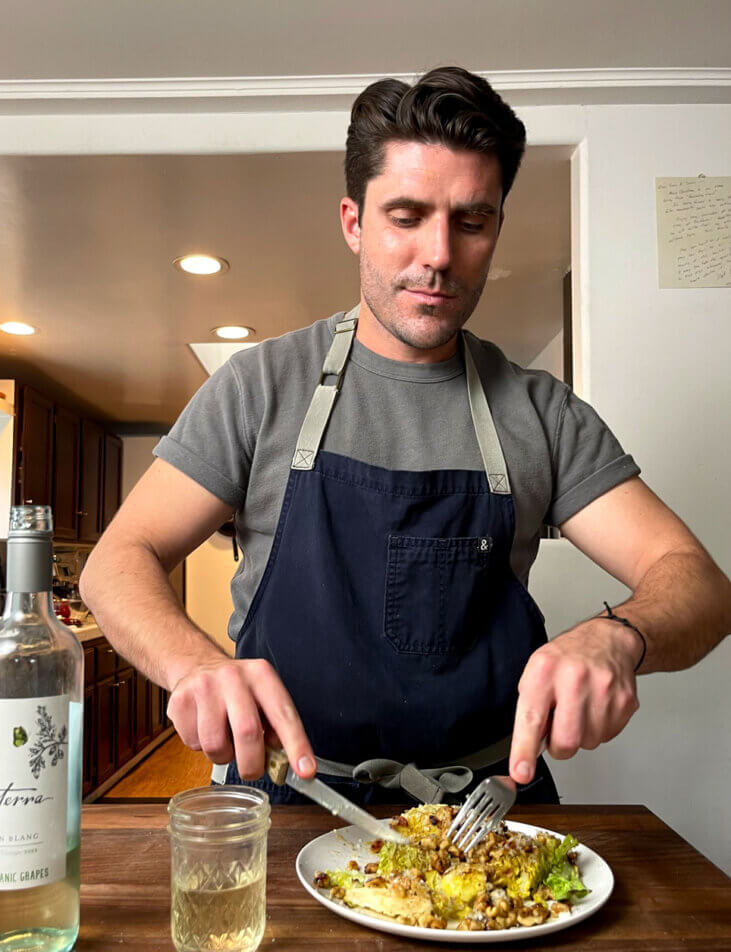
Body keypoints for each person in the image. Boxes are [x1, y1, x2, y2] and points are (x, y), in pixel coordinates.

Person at [80, 66, 730, 807]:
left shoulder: (539, 412)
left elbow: (699, 583)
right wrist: (192, 664)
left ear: (494, 230)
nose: (439, 256)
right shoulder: (261, 387)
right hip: (291, 799)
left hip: (484, 816)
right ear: (354, 222)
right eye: (406, 215)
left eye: (470, 220)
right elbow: (117, 561)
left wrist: (619, 636)